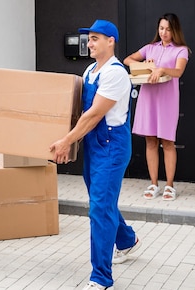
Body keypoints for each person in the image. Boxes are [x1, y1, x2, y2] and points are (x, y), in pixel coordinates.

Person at [50, 20, 140, 290]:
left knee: (99, 207)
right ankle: (126, 240)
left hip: (111, 145)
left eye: (95, 39)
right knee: (101, 200)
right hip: (94, 143)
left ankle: (101, 277)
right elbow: (77, 111)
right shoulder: (90, 70)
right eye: (88, 39)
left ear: (111, 41)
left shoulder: (115, 73)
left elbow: (93, 115)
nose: (89, 44)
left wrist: (66, 141)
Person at [124, 13, 190, 202]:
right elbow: (127, 60)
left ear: (174, 30)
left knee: (167, 142)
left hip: (167, 100)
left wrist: (161, 69)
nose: (164, 32)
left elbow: (178, 71)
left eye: (168, 29)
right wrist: (144, 64)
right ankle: (154, 183)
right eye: (161, 28)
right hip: (148, 98)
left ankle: (170, 185)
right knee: (150, 141)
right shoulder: (149, 48)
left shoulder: (181, 50)